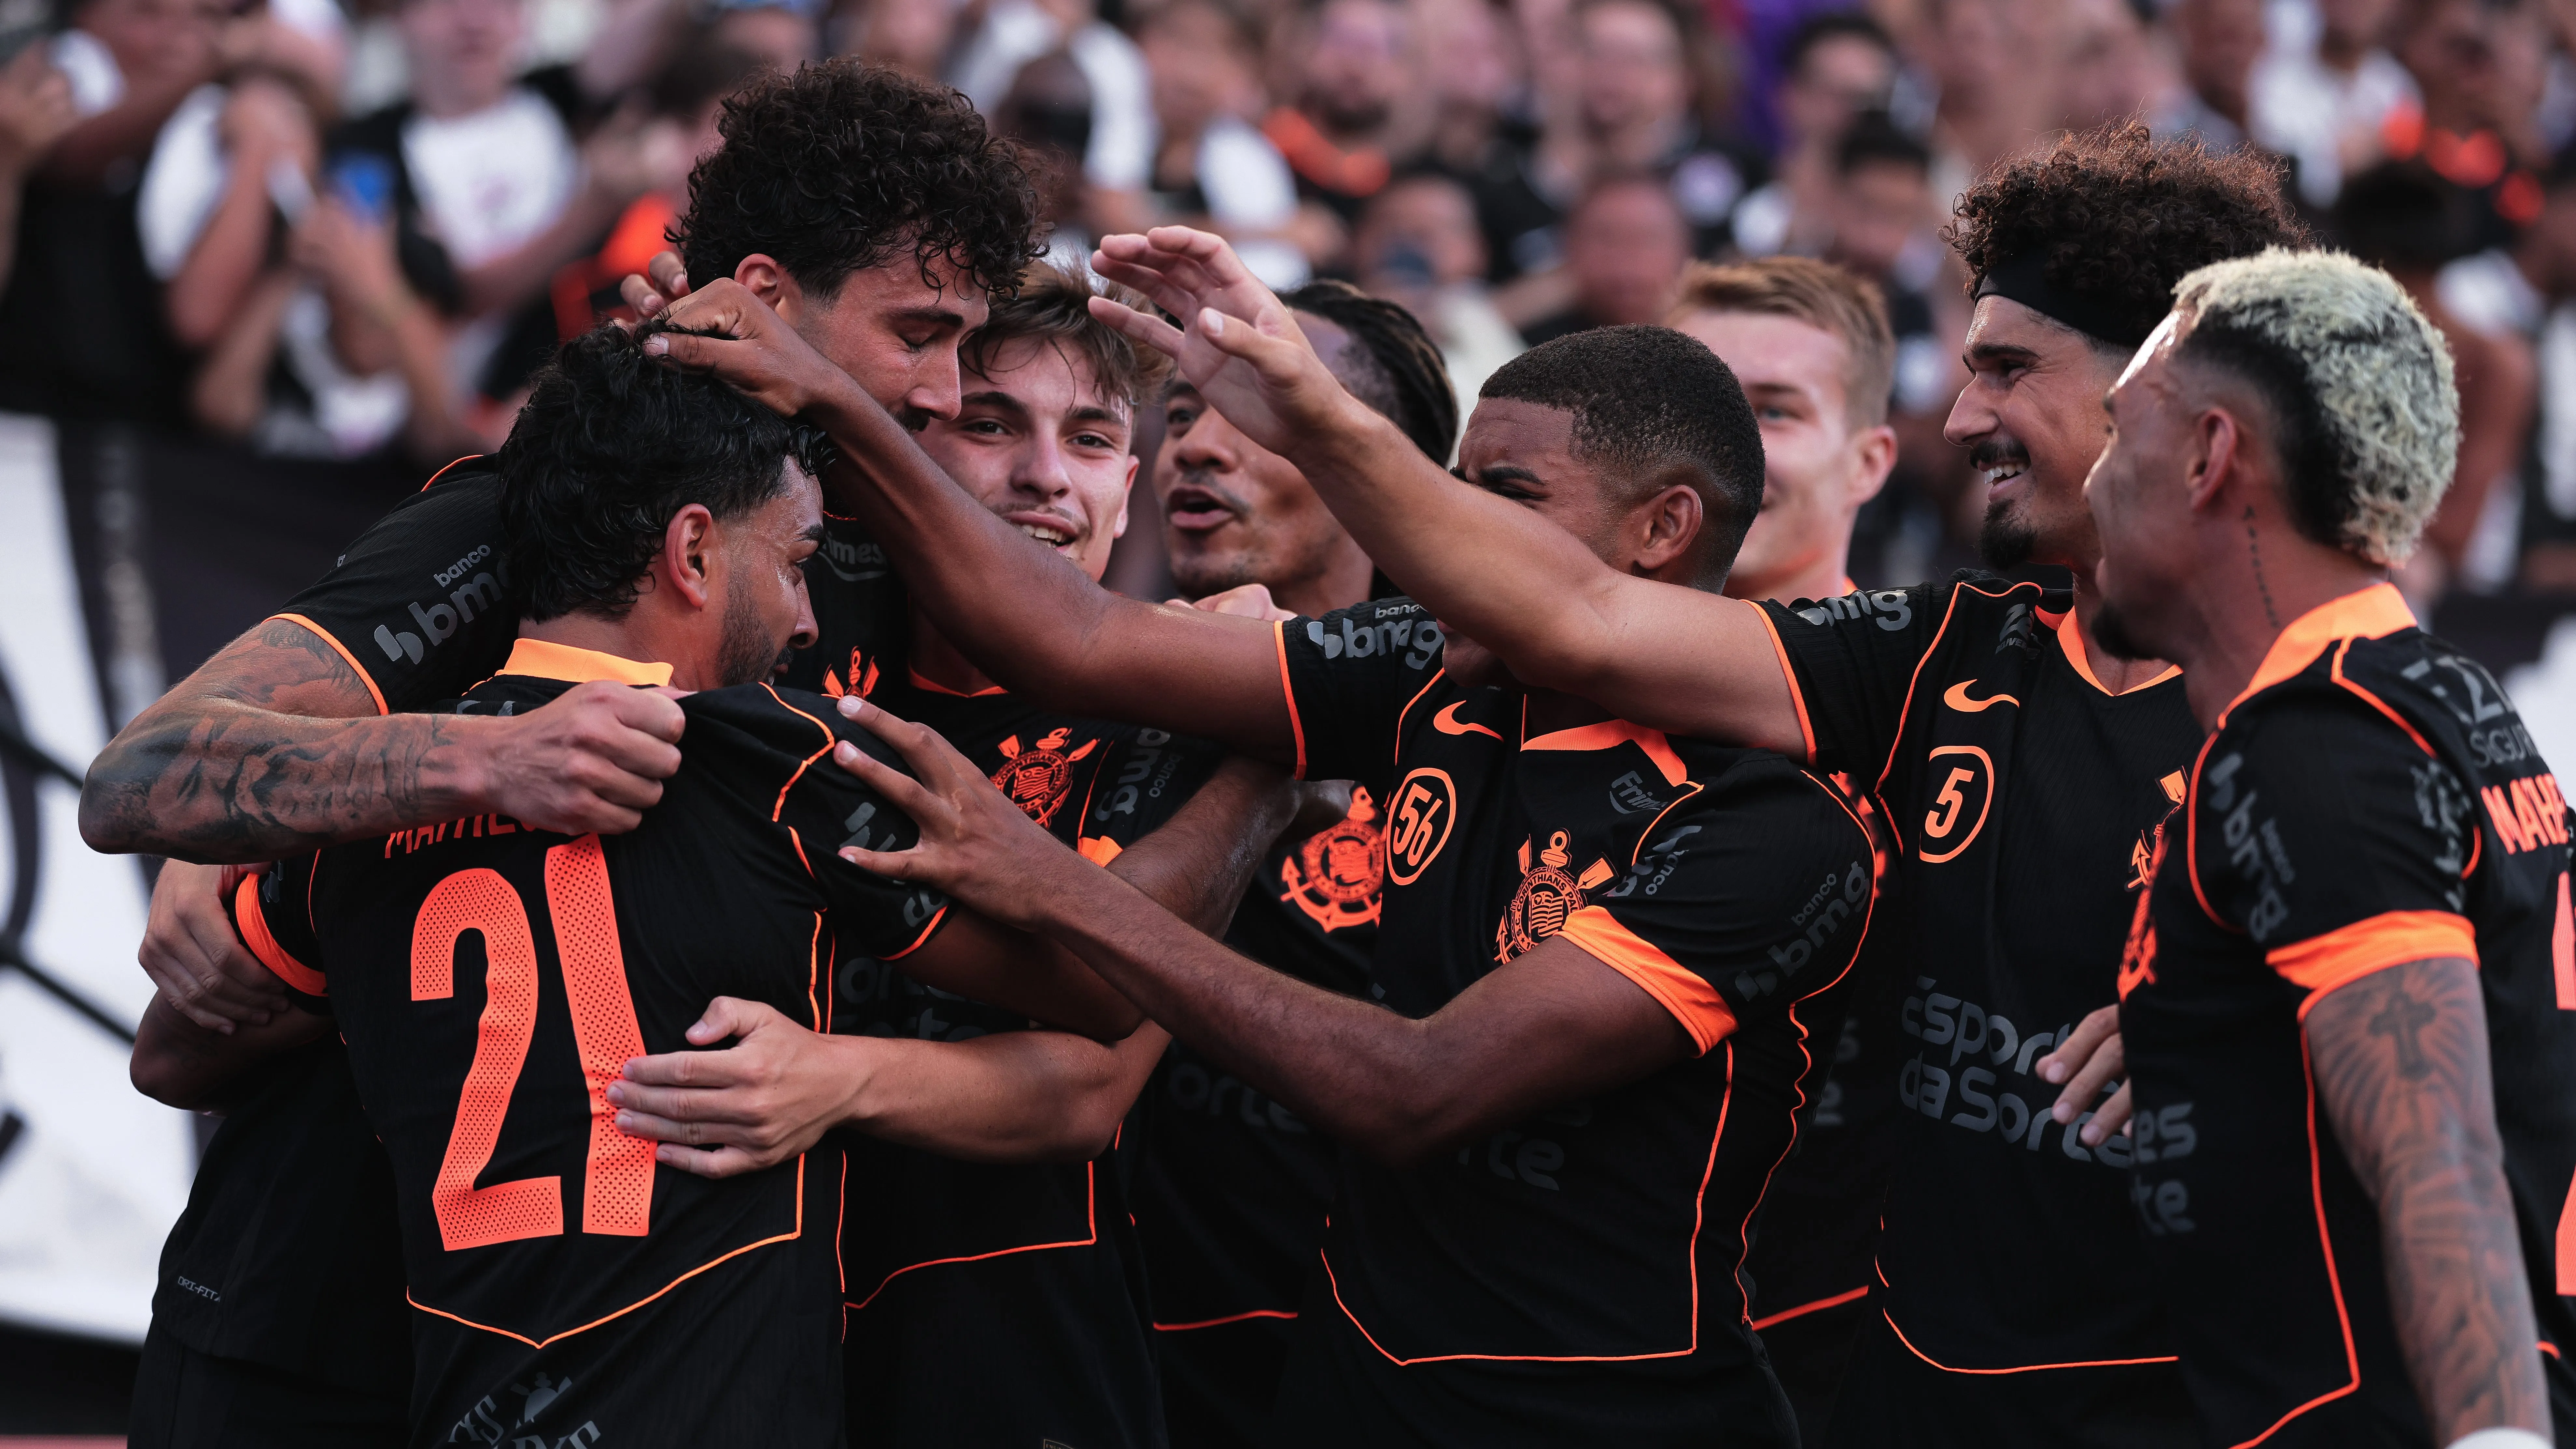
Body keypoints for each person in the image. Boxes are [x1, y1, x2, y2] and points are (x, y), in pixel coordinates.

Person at [1063, 123, 2307, 1445]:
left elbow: (2482, 1079)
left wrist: (2281, 997)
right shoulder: (1933, 652)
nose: (1967, 414)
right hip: (1864, 1388)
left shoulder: (2350, 733)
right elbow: (1575, 617)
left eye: (1775, 407)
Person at [641, 277, 1876, 1443]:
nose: (1451, 533)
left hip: (1605, 1419)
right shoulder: (1425, 674)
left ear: (1662, 529)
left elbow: (1419, 1086)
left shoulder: (1776, 824)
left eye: (1502, 495)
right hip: (1342, 1400)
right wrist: (831, 394)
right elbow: (1074, 632)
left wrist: (1051, 878)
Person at [93, 58, 1038, 1449]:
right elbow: (151, 770)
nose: (951, 393)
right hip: (312, 1325)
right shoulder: (548, 508)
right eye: (921, 331)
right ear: (767, 299)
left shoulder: (874, 554)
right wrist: (446, 772)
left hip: (610, 1359)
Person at [172, 322, 1137, 1447]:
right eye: (792, 561)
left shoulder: (372, 793)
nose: (812, 616)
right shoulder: (775, 761)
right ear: (692, 551)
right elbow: (1101, 995)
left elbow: (171, 1055)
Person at [2091, 248, 2575, 1447]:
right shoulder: (2434, 691)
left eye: (2118, 431)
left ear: (2208, 456)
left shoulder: (2315, 744)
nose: (2095, 481)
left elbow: (2438, 1148)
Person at [1662, 255, 1902, 1442]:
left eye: (1773, 410)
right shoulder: (1514, 702)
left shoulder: (1943, 726)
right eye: (1697, 403)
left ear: (1871, 461)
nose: (1727, 446)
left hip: (1839, 1358)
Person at [1516, 171, 1692, 345]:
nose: (1626, 257)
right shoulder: (1531, 343)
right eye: (1605, 238)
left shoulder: (1708, 346)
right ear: (1569, 246)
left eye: (1647, 239)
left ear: (1684, 251)